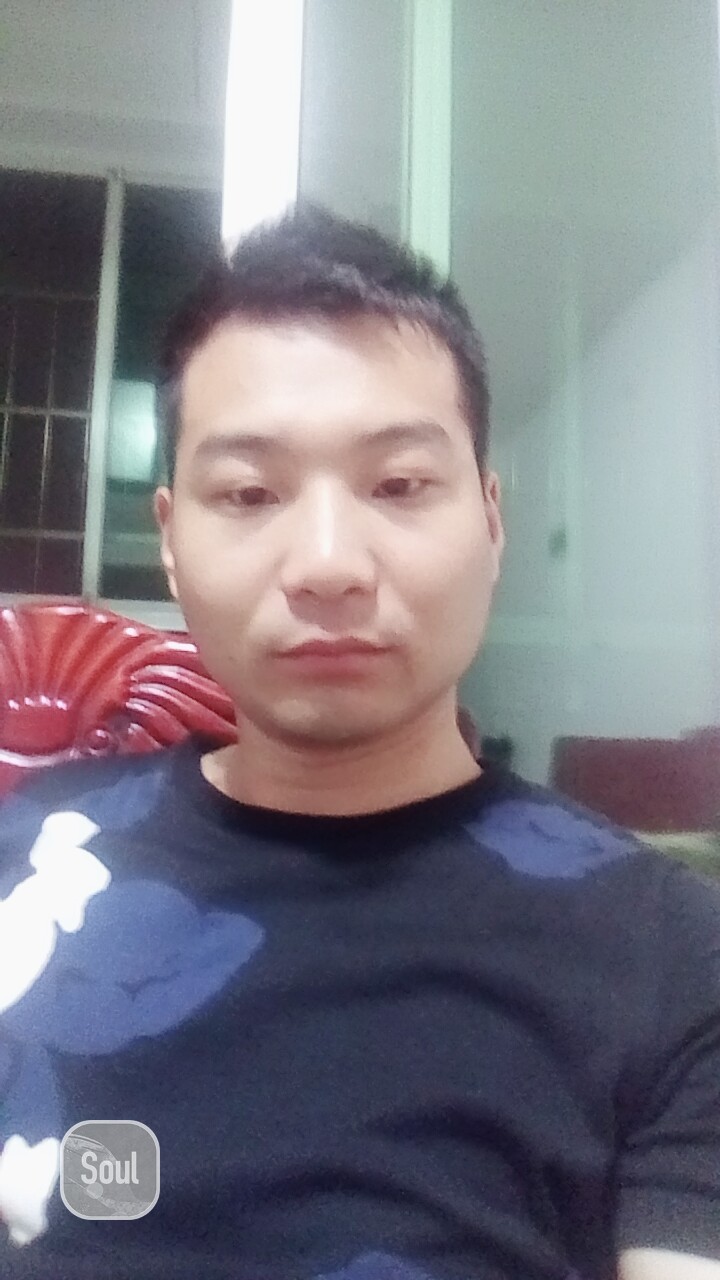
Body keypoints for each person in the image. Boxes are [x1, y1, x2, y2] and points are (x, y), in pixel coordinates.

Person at [0, 207, 718, 1280]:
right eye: (249, 493)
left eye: (399, 485)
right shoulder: (29, 855)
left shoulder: (672, 956)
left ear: (491, 521)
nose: (328, 563)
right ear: (172, 539)